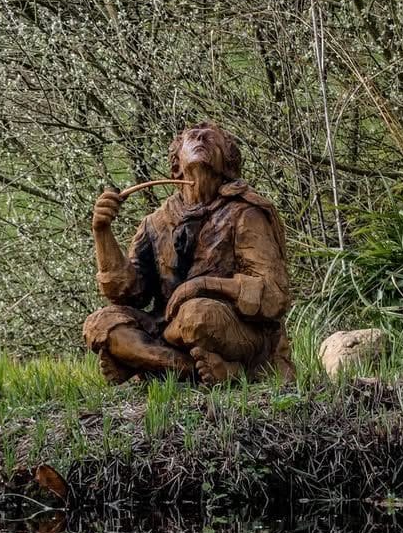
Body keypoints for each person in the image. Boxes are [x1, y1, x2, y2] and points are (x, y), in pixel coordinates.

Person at [84, 122, 294, 385]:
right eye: (193, 137)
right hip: (168, 328)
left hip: (230, 327)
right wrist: (102, 232)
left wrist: (201, 286)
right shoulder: (156, 223)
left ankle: (146, 365)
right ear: (176, 165)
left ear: (227, 162)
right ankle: (188, 371)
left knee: (197, 315)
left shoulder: (245, 213)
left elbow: (275, 294)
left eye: (210, 138)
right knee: (100, 323)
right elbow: (127, 293)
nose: (200, 139)